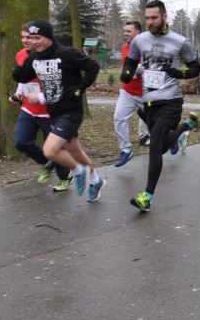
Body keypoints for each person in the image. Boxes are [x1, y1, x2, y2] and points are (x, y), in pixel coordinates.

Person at [121, 0, 200, 212]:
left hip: (171, 101)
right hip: (150, 103)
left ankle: (146, 196)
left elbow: (195, 68)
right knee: (162, 146)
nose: (150, 22)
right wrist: (126, 73)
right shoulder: (139, 40)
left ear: (164, 16)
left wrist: (181, 74)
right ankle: (186, 127)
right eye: (147, 18)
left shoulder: (180, 41)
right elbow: (130, 62)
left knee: (155, 142)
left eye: (154, 18)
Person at [12, 20, 104, 200]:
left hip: (71, 111)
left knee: (50, 151)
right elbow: (21, 76)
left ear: (48, 37)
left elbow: (93, 66)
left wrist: (80, 88)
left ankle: (78, 173)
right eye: (31, 38)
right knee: (75, 152)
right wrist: (22, 62)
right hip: (54, 111)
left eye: (38, 38)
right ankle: (96, 180)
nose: (34, 41)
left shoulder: (67, 54)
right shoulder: (35, 57)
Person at [10, 23, 72, 190]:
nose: (25, 40)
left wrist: (42, 97)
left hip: (49, 112)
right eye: (23, 37)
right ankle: (46, 163)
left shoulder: (52, 57)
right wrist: (18, 95)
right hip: (29, 109)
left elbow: (62, 85)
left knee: (54, 148)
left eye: (29, 37)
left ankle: (65, 176)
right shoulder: (21, 55)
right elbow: (24, 79)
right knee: (21, 142)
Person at [113, 20, 150, 167]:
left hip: (146, 94)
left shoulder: (147, 48)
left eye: (128, 31)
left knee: (160, 123)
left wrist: (140, 68)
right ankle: (126, 150)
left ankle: (176, 136)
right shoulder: (124, 48)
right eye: (124, 31)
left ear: (138, 33)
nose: (125, 34)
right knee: (119, 117)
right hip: (128, 91)